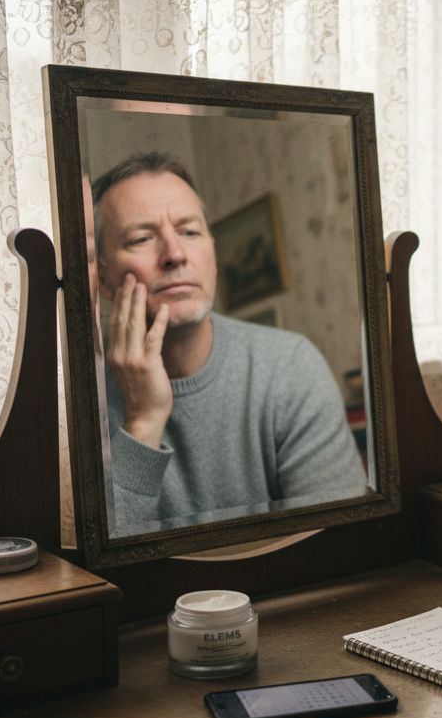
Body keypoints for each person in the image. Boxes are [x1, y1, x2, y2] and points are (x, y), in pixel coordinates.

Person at [91, 152, 366, 535]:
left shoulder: (290, 365)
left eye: (190, 232)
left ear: (214, 254)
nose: (175, 254)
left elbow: (340, 541)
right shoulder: (77, 398)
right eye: (142, 238)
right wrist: (143, 420)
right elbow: (98, 560)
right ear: (103, 280)